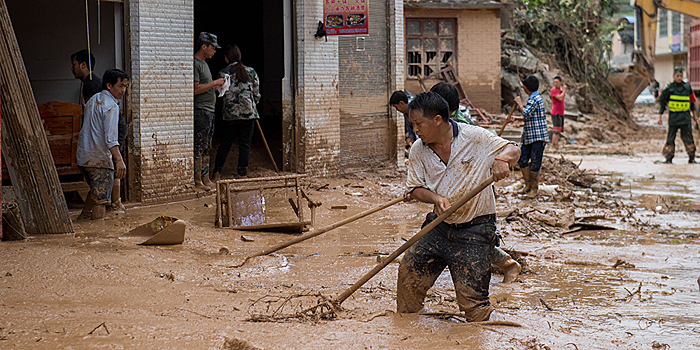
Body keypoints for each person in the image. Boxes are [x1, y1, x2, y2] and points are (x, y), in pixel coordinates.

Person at [398, 92, 521, 321]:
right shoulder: (418, 149)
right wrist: (435, 198)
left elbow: (514, 148)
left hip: (475, 229)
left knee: (474, 307)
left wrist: (502, 159)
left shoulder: (474, 137)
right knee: (408, 278)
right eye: (413, 124)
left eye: (418, 124)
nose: (415, 129)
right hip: (439, 225)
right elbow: (414, 188)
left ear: (437, 120)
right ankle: (407, 326)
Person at [76, 69, 129, 220]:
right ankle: (98, 234)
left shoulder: (93, 100)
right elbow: (111, 138)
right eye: (120, 86)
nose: (123, 90)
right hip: (99, 160)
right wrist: (119, 160)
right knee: (102, 200)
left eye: (125, 86)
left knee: (97, 191)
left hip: (83, 158)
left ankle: (84, 218)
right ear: (109, 86)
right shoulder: (111, 106)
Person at [211, 44, 260, 180]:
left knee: (225, 144)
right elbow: (256, 93)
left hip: (230, 115)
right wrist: (252, 105)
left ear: (227, 58)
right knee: (245, 144)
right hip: (248, 114)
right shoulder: (251, 72)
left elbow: (221, 93)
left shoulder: (223, 73)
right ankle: (242, 173)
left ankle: (217, 172)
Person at [194, 32, 226, 190]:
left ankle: (205, 178)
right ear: (203, 46)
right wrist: (214, 83)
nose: (214, 52)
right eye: (213, 48)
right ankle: (197, 180)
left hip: (209, 110)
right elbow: (195, 89)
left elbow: (204, 88)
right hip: (201, 111)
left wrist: (215, 88)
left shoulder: (205, 64)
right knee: (199, 146)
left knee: (207, 146)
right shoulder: (195, 64)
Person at [513, 75, 548, 198]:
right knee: (522, 159)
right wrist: (517, 117)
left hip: (537, 137)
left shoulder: (535, 98)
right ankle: (527, 185)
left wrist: (519, 103)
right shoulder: (533, 99)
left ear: (526, 88)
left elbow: (526, 113)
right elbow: (530, 115)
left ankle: (534, 189)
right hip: (529, 136)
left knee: (535, 163)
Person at [657, 67, 699, 164]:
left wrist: (695, 116)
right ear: (673, 76)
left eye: (681, 76)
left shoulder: (688, 88)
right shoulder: (669, 89)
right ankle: (668, 158)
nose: (679, 78)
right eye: (677, 76)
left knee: (688, 137)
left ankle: (692, 158)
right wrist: (660, 116)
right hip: (674, 118)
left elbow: (692, 103)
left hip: (685, 118)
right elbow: (662, 103)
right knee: (670, 138)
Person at [550, 76, 566, 149]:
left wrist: (563, 90)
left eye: (557, 82)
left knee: (558, 130)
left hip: (561, 112)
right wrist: (564, 91)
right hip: (555, 112)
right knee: (556, 130)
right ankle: (556, 146)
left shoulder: (561, 90)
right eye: (554, 82)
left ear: (560, 82)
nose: (555, 84)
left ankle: (554, 145)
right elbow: (560, 98)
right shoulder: (553, 90)